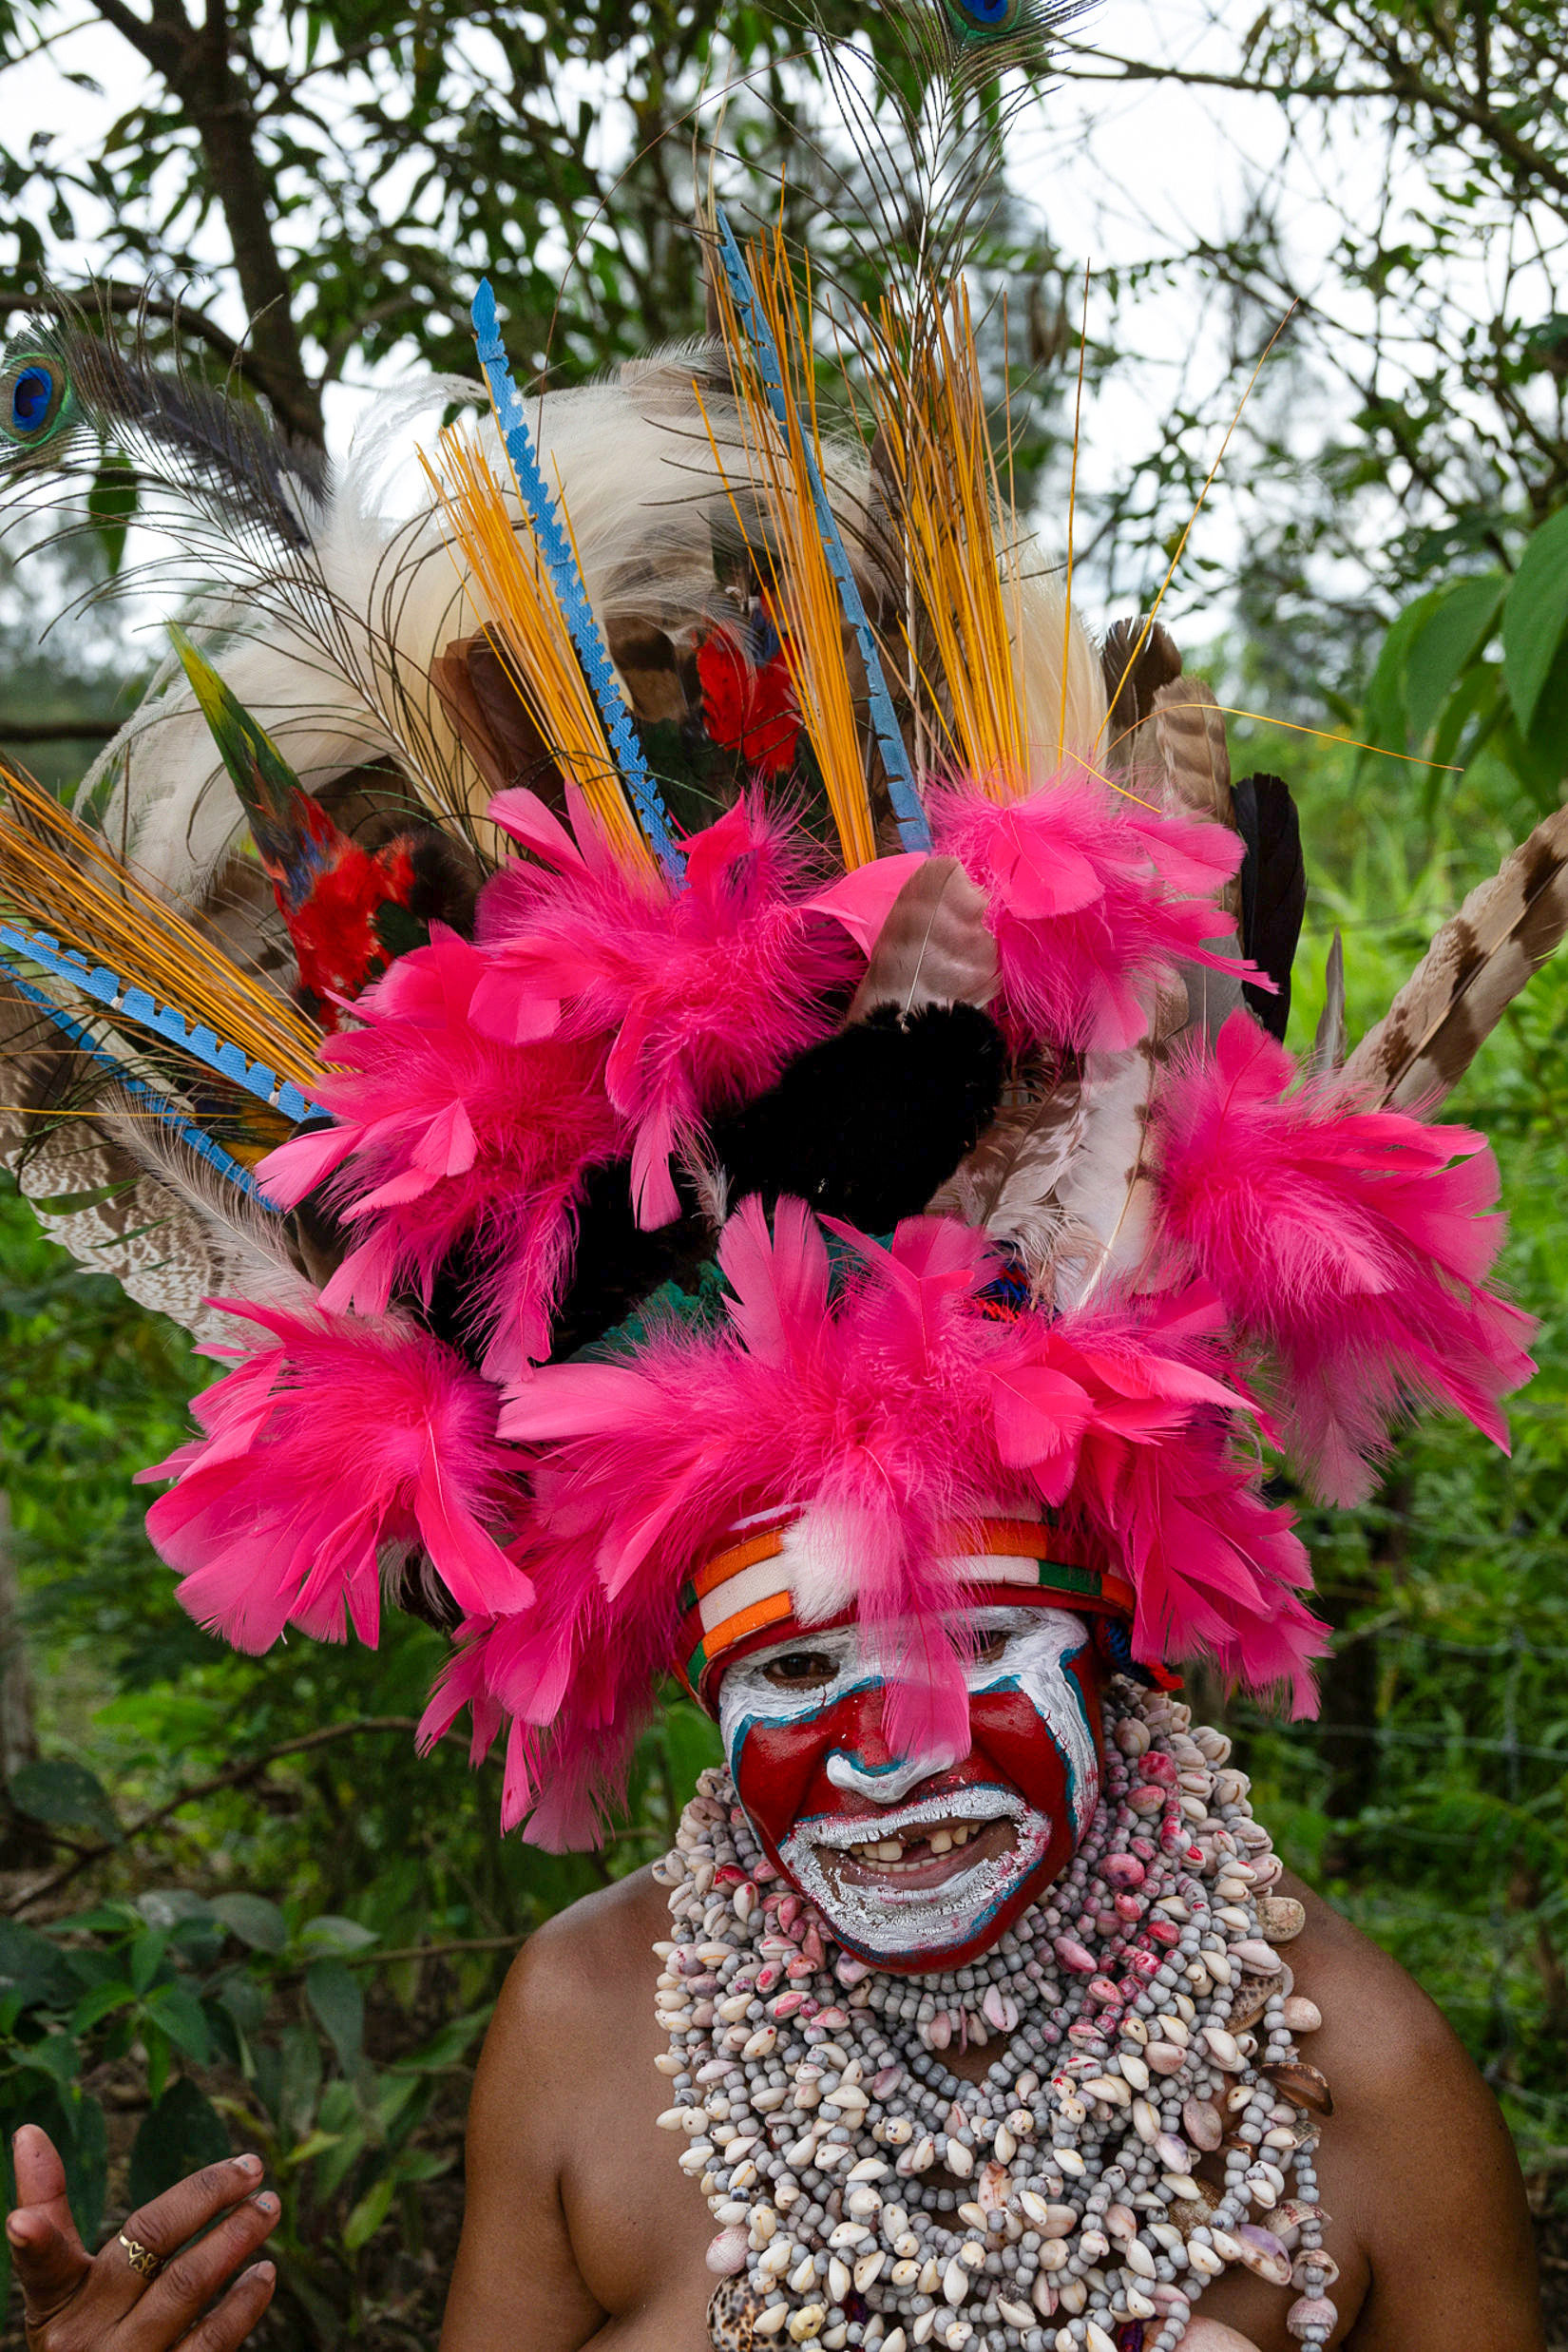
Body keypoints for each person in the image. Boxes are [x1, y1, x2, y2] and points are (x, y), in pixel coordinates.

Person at [0, 10, 1560, 2343]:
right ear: (693, 1666)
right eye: (806, 1659)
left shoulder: (1361, 2088)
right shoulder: (584, 2045)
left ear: (1118, 1622)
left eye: (972, 1637)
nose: (902, 1744)